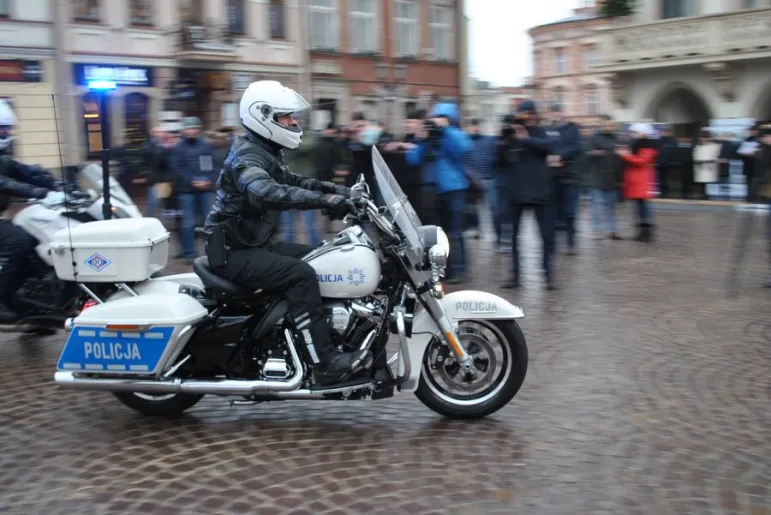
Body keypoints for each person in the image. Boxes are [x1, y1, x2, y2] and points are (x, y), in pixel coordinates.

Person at [201, 80, 370, 385]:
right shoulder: (246, 158)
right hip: (232, 252)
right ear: (262, 116)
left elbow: (297, 182)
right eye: (285, 116)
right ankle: (325, 364)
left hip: (253, 245)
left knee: (322, 256)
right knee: (301, 274)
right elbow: (266, 192)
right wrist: (325, 201)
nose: (294, 122)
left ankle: (309, 335)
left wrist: (344, 193)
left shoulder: (265, 150)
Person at [403, 102, 472, 283]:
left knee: (455, 232)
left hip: (455, 188)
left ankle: (460, 269)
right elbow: (413, 159)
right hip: (433, 189)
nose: (437, 121)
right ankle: (443, 268)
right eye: (436, 118)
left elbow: (464, 150)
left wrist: (444, 131)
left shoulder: (455, 134)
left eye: (442, 118)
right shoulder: (430, 138)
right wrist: (420, 139)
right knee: (437, 234)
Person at [0, 101, 55, 323]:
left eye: (6, 128)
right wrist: (32, 190)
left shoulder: (2, 156)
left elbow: (23, 171)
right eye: (1, 129)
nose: (5, 133)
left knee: (33, 238)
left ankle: (28, 302)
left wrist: (54, 181)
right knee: (18, 240)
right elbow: (4, 182)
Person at [496, 101, 557, 290]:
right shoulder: (511, 135)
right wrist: (503, 141)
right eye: (523, 114)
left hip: (541, 192)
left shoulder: (543, 132)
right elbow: (498, 162)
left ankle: (548, 276)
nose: (527, 118)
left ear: (536, 115)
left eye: (530, 114)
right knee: (513, 237)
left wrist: (526, 139)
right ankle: (515, 276)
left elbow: (551, 147)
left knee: (546, 237)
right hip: (516, 193)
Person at [170, 117, 216, 262]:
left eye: (194, 128)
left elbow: (212, 163)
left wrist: (207, 179)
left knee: (209, 221)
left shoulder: (205, 145)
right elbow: (177, 167)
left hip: (205, 188)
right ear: (184, 130)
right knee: (188, 222)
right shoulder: (179, 147)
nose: (191, 131)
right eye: (189, 128)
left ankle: (214, 251)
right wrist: (192, 180)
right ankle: (189, 252)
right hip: (186, 190)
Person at [545, 104, 582, 254]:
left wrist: (561, 156)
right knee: (552, 212)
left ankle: (571, 244)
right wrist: (550, 157)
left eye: (557, 111)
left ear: (562, 113)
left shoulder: (572, 128)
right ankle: (552, 244)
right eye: (553, 112)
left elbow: (576, 147)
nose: (555, 114)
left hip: (570, 175)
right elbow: (545, 147)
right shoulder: (548, 130)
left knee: (569, 212)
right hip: (552, 176)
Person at [617, 123, 658, 242]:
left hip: (641, 182)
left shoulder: (648, 147)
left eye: (635, 132)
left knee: (643, 207)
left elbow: (641, 161)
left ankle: (646, 233)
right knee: (639, 207)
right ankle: (641, 232)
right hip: (636, 182)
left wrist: (626, 155)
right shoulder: (638, 146)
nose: (632, 135)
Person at [588, 116, 623, 240]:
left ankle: (612, 231)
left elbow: (620, 158)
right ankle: (598, 231)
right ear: (602, 125)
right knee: (597, 206)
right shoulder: (595, 138)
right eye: (607, 125)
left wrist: (620, 178)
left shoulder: (616, 139)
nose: (609, 127)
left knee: (611, 206)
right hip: (598, 177)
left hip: (612, 178)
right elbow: (586, 153)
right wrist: (595, 153)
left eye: (611, 125)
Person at [693, 129, 720, 199]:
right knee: (702, 183)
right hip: (700, 168)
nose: (704, 139)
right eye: (702, 137)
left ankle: (708, 195)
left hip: (709, 168)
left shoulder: (714, 146)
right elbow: (695, 156)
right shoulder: (698, 146)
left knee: (709, 182)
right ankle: (702, 195)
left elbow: (715, 156)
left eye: (706, 137)